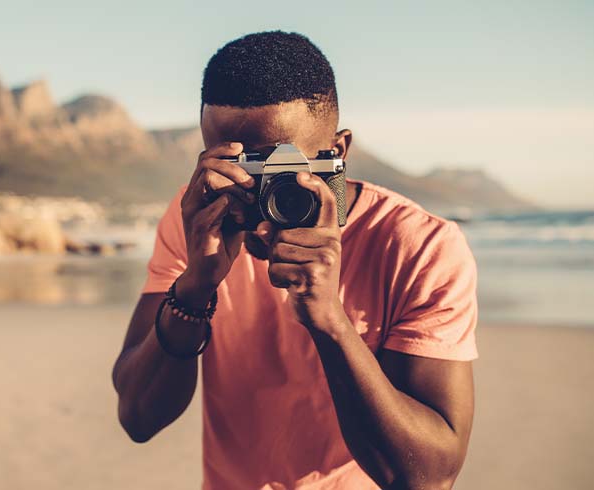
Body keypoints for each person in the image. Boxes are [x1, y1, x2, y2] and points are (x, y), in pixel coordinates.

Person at [111, 31, 477, 490]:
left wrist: (328, 319)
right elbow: (138, 418)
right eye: (235, 167)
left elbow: (427, 476)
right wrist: (195, 287)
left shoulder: (418, 246)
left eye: (279, 170)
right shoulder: (196, 221)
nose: (255, 191)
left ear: (338, 153)